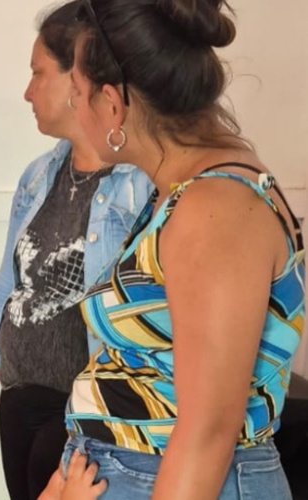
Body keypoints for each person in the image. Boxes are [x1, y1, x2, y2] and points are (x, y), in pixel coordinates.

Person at [56, 0, 305, 498]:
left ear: (113, 104)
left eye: (76, 93)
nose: (73, 108)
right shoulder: (183, 194)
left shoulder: (217, 207)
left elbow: (205, 436)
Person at [0, 2, 153, 499]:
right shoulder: (38, 176)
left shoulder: (139, 184)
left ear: (78, 80)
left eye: (37, 72)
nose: (28, 91)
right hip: (18, 399)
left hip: (84, 414)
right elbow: (8, 287)